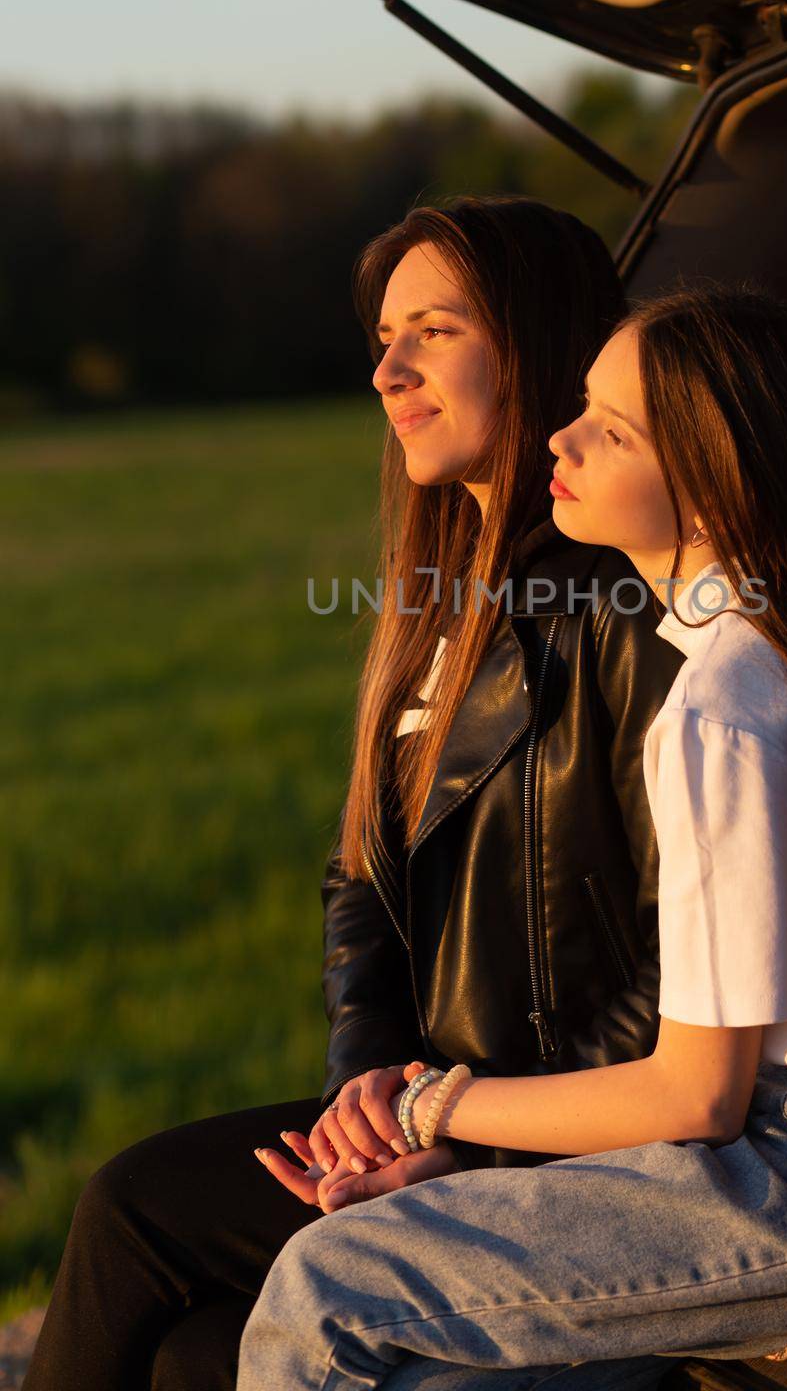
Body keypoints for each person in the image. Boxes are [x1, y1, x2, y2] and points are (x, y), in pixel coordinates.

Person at [235, 282, 787, 1391]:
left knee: (323, 1283)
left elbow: (694, 1097)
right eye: (580, 405)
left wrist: (433, 1102)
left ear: (715, 491)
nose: (559, 440)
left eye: (608, 430)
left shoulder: (726, 703)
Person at [22, 198, 685, 1391]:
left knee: (139, 1220)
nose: (387, 369)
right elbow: (362, 878)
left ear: (534, 343)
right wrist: (363, 1094)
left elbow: (676, 963)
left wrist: (460, 1134)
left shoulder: (620, 608)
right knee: (186, 1349)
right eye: (384, 336)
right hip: (427, 1107)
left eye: (432, 329)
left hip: (555, 1134)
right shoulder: (438, 598)